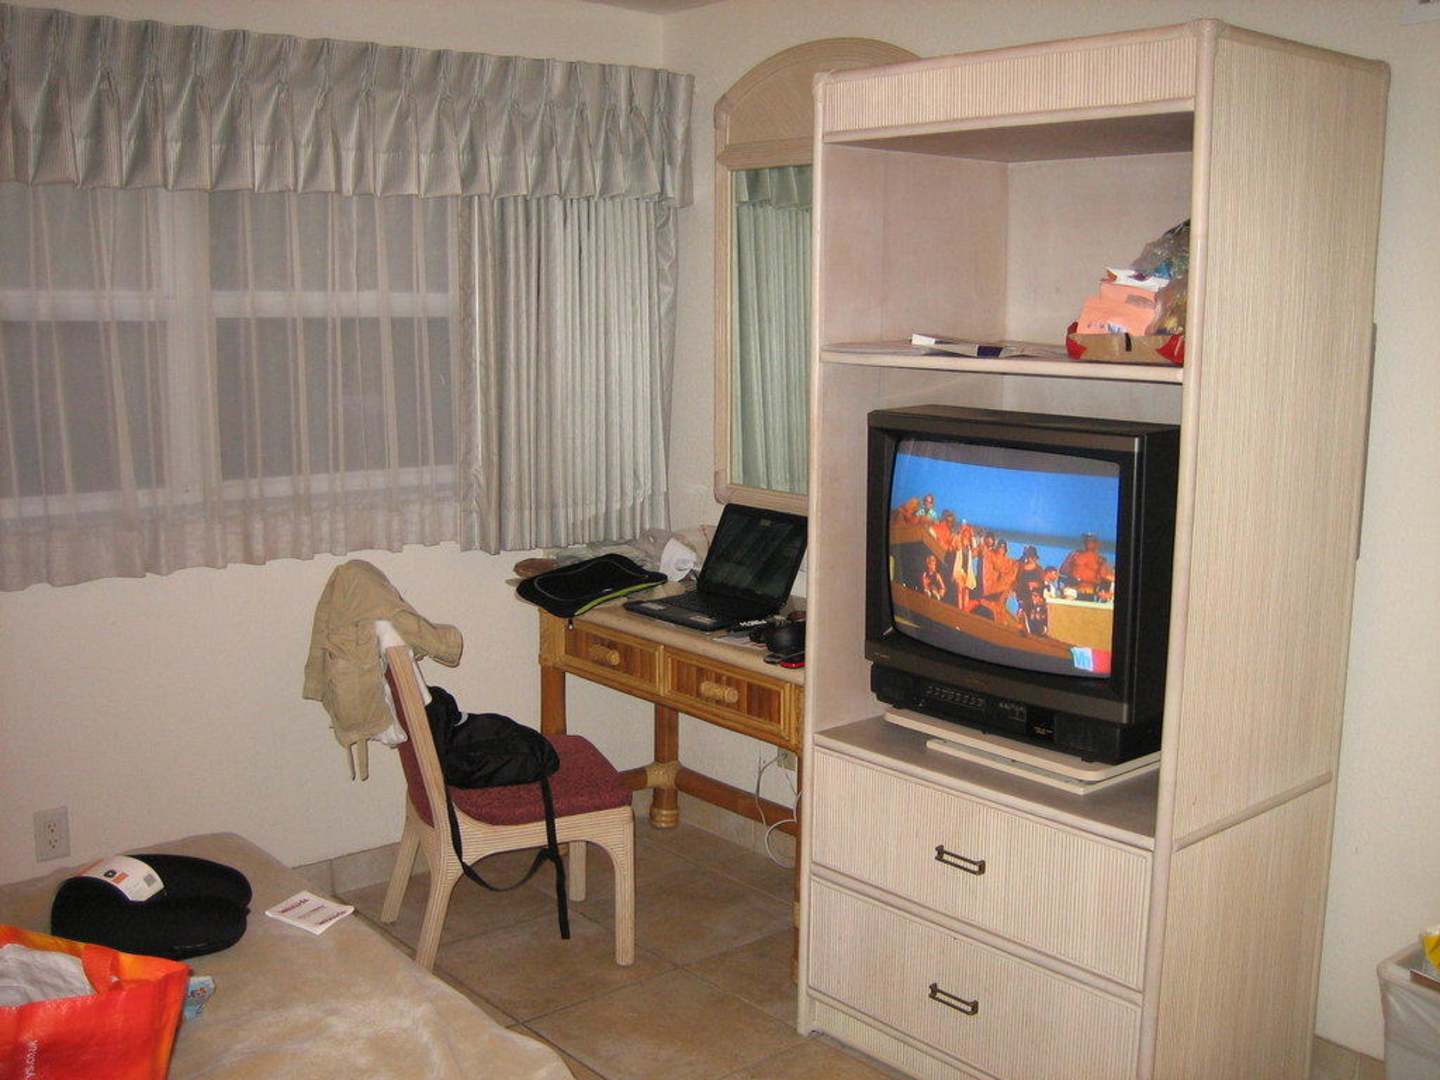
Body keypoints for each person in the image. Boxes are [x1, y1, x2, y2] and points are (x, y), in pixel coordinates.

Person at [1060, 532, 1115, 601]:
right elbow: (1063, 571)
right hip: (1073, 591)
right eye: (1087, 540)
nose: (1088, 543)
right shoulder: (1075, 555)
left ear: (1096, 544)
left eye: (1091, 541)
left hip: (1090, 592)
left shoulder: (1100, 560)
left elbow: (1105, 577)